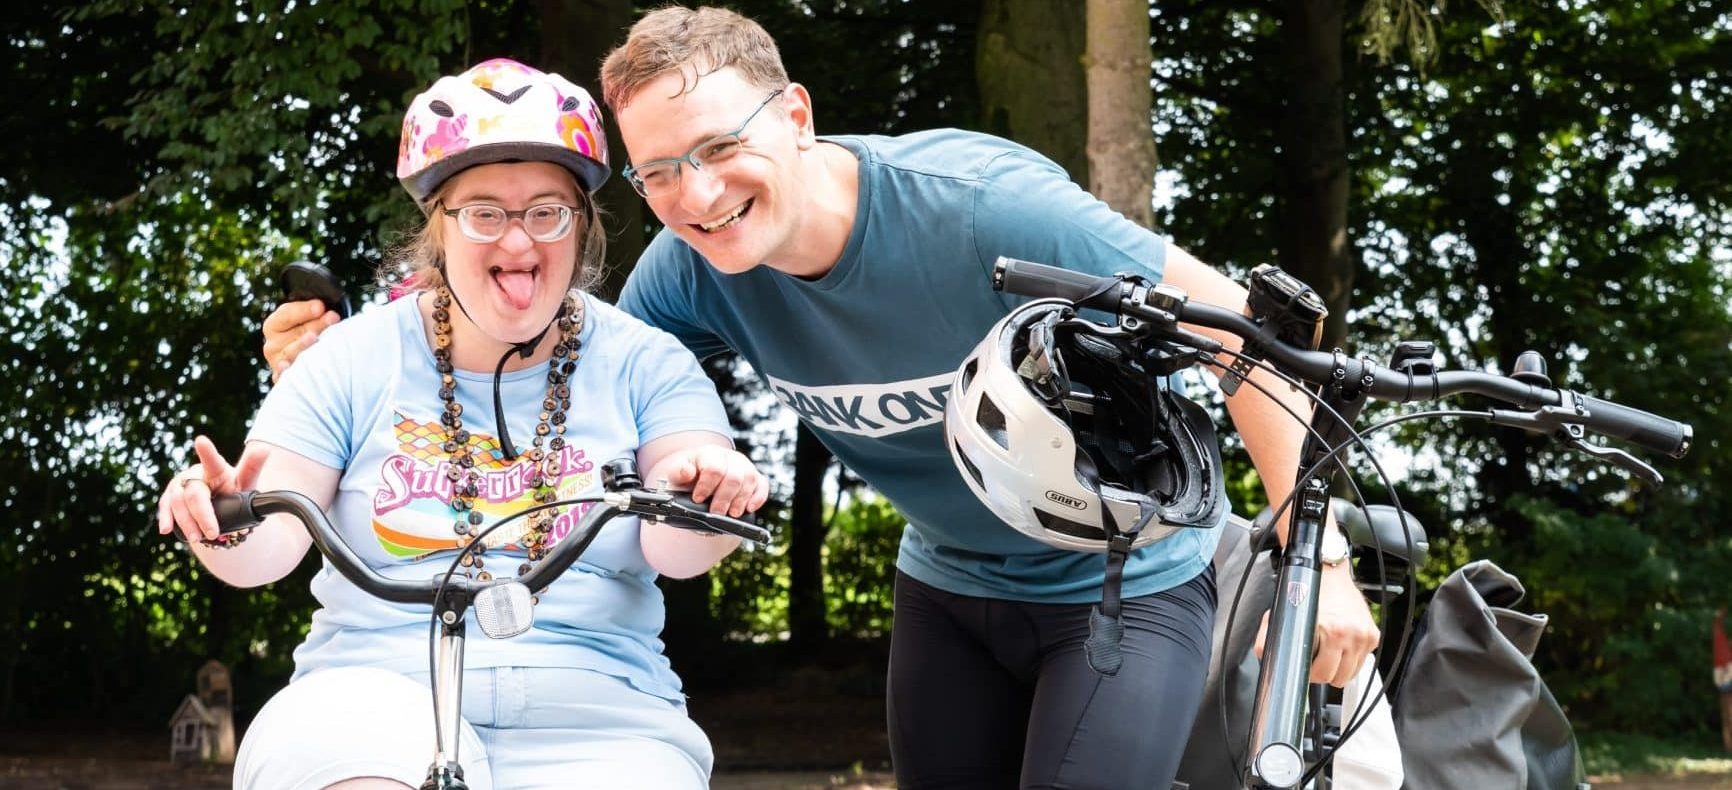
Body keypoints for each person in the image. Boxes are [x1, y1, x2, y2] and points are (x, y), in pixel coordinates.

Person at [263, 8, 1379, 788]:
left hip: (1121, 582)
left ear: (793, 114)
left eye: (719, 146)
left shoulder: (982, 210)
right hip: (945, 588)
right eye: (658, 172)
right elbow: (548, 348)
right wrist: (356, 352)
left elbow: (1256, 337)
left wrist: (1313, 560)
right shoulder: (688, 273)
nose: (695, 193)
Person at [161, 58, 767, 790]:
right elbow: (265, 547)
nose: (519, 242)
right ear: (437, 228)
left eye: (547, 212)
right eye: (484, 213)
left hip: (600, 710)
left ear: (584, 227)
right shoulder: (348, 360)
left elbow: (677, 550)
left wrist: (707, 491)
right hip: (371, 691)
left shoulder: (648, 362)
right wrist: (218, 519)